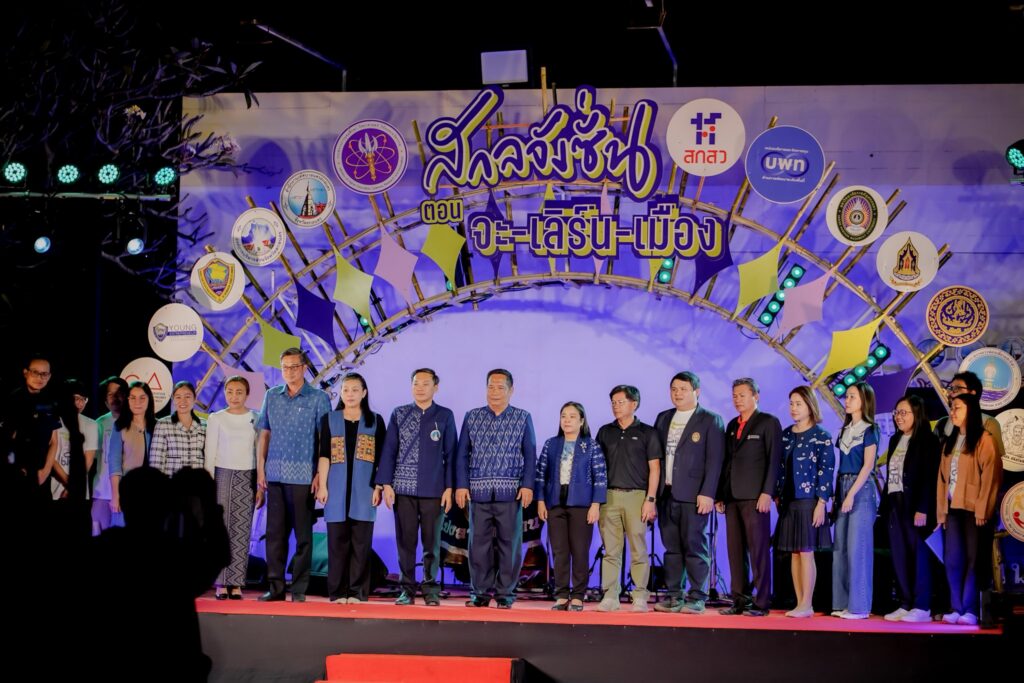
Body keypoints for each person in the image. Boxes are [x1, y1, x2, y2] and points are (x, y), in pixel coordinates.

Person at [455, 369, 536, 609]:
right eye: (491, 387)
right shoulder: (472, 417)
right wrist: (462, 485)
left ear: (511, 390)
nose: (495, 392)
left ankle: (505, 594)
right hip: (478, 492)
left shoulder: (522, 417)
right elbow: (462, 454)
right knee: (478, 545)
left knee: (509, 545)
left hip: (510, 492)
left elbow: (530, 454)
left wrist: (528, 485)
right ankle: (479, 593)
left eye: (501, 387)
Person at [376, 368, 458, 606]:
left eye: (425, 384)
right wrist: (386, 484)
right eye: (415, 383)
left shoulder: (444, 415)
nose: (420, 388)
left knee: (432, 544)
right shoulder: (399, 413)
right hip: (403, 490)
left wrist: (450, 488)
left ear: (435, 387)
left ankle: (431, 590)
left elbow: (451, 454)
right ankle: (407, 590)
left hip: (435, 490)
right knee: (406, 543)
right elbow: (389, 450)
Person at [256, 348, 331, 603]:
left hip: (304, 477)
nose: (289, 371)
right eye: (285, 367)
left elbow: (323, 438)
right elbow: (264, 433)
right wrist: (261, 469)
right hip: (275, 475)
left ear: (304, 368)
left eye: (294, 367)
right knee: (275, 536)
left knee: (303, 538)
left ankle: (299, 589)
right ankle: (275, 587)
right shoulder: (271, 395)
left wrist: (320, 474)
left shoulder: (318, 398)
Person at [652, 372, 725, 615]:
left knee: (695, 547)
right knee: (671, 548)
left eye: (683, 389)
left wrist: (708, 492)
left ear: (696, 392)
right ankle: (674, 595)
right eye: (674, 389)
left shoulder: (710, 420)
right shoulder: (663, 418)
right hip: (667, 493)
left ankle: (697, 597)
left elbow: (715, 461)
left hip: (695, 495)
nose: (678, 393)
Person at [316, 373, 386, 604]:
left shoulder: (375, 421)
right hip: (336, 490)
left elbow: (382, 459)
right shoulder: (330, 419)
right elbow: (324, 455)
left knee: (361, 545)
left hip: (365, 490)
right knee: (337, 544)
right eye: (346, 390)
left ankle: (357, 592)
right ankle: (337, 592)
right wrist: (323, 485)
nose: (350, 394)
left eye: (355, 390)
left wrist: (378, 487)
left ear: (364, 393)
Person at [716, 378, 783, 617]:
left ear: (756, 396)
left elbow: (774, 460)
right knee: (735, 552)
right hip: (732, 497)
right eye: (734, 395)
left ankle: (762, 601)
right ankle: (739, 600)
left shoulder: (768, 422)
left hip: (756, 497)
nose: (737, 399)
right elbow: (726, 462)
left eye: (742, 395)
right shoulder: (732, 425)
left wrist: (767, 492)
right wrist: (720, 494)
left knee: (758, 551)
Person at [937, 392, 1003, 626]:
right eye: (952, 408)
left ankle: (971, 609)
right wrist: (942, 511)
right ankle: (956, 607)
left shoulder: (984, 439)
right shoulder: (951, 440)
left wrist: (983, 509)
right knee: (952, 559)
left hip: (975, 510)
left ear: (971, 411)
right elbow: (942, 479)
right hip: (953, 509)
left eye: (957, 408)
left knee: (974, 560)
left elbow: (992, 477)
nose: (952, 412)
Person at [594, 385, 661, 612]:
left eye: (620, 402)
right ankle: (610, 595)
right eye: (613, 402)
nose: (616, 406)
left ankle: (640, 595)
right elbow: (597, 467)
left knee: (638, 548)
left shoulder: (647, 432)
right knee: (611, 550)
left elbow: (655, 468)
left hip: (637, 496)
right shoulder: (605, 432)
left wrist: (650, 499)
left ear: (634, 404)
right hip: (609, 496)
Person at [536, 401, 607, 611]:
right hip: (555, 505)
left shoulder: (591, 445)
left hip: (582, 506)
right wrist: (541, 500)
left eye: (572, 416)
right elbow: (540, 475)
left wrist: (596, 504)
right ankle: (561, 595)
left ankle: (577, 595)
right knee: (559, 551)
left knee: (580, 551)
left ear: (581, 421)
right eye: (563, 416)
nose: (567, 420)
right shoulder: (551, 444)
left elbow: (600, 477)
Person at [773, 386, 833, 618]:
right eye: (791, 403)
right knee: (794, 552)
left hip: (809, 501)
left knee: (806, 552)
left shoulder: (821, 436)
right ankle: (800, 603)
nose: (793, 408)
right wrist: (777, 494)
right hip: (789, 501)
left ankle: (807, 603)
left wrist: (821, 503)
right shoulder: (786, 435)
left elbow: (826, 471)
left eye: (798, 403)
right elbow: (779, 468)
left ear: (810, 406)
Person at [882, 394, 940, 623]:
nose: (899, 417)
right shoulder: (895, 440)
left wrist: (923, 508)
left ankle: (922, 605)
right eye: (896, 412)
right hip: (895, 503)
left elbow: (929, 477)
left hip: (915, 505)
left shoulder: (928, 440)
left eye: (903, 412)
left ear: (917, 414)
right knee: (900, 554)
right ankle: (905, 602)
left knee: (919, 556)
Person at [204, 375, 259, 600]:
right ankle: (220, 582)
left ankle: (236, 583)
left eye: (239, 392)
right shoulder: (216, 418)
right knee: (221, 530)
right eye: (230, 392)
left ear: (247, 394)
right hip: (222, 474)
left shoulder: (256, 417)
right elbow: (210, 452)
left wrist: (260, 483)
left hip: (247, 475)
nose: (234, 396)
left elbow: (258, 452)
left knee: (242, 530)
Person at [831, 381, 880, 620]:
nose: (847, 400)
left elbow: (868, 465)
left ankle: (859, 606)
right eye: (847, 396)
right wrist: (838, 493)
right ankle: (841, 602)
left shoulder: (870, 429)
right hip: (843, 485)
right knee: (840, 547)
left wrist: (851, 494)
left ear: (864, 401)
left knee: (858, 548)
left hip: (861, 489)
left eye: (852, 397)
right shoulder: (845, 430)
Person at [0, 353, 60, 503]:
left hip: (42, 474)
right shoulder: (13, 400)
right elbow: (7, 440)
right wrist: (18, 468)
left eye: (44, 374)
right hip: (17, 474)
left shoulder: (51, 402)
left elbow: (54, 441)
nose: (40, 377)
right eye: (35, 372)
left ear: (49, 376)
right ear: (25, 372)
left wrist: (46, 471)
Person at [108, 381, 157, 527]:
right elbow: (114, 462)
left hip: (154, 490)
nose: (137, 402)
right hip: (128, 490)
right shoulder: (120, 426)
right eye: (133, 398)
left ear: (149, 400)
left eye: (142, 398)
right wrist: (115, 495)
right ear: (127, 400)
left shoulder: (158, 426)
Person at [93, 376, 128, 534]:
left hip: (127, 493)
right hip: (102, 492)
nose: (115, 398)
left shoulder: (135, 422)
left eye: (119, 393)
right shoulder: (99, 424)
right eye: (110, 394)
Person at [149, 381, 206, 477]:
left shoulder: (205, 424)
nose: (183, 401)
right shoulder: (163, 424)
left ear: (195, 398)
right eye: (178, 397)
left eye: (187, 397)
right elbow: (156, 461)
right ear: (173, 399)